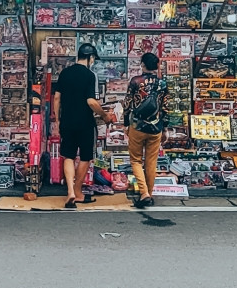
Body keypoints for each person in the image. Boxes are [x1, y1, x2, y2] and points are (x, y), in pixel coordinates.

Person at [52, 43, 114, 209]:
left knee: (68, 156)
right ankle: (78, 191)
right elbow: (91, 101)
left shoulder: (64, 73)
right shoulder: (90, 75)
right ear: (90, 58)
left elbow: (56, 98)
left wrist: (58, 120)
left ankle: (70, 192)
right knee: (86, 157)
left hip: (67, 121)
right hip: (85, 122)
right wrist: (104, 115)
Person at [123, 52, 170, 208]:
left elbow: (127, 104)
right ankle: (149, 193)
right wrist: (165, 127)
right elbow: (166, 107)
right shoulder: (162, 84)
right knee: (151, 162)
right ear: (157, 66)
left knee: (136, 160)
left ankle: (144, 194)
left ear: (142, 65)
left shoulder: (135, 81)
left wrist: (125, 124)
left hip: (137, 126)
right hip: (156, 126)